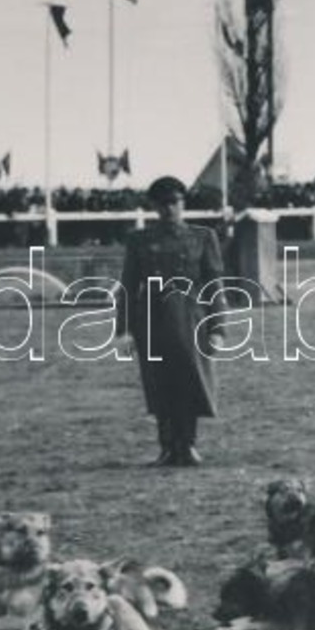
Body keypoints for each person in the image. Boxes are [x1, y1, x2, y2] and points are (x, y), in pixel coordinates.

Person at [116, 176, 225, 467]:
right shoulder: (140, 240)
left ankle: (187, 444)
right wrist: (123, 330)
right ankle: (167, 447)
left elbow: (214, 285)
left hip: (191, 319)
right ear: (154, 207)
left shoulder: (203, 237)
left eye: (175, 202)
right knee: (159, 383)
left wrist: (218, 328)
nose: (169, 209)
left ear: (183, 203)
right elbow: (128, 285)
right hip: (151, 321)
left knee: (190, 381)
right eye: (162, 204)